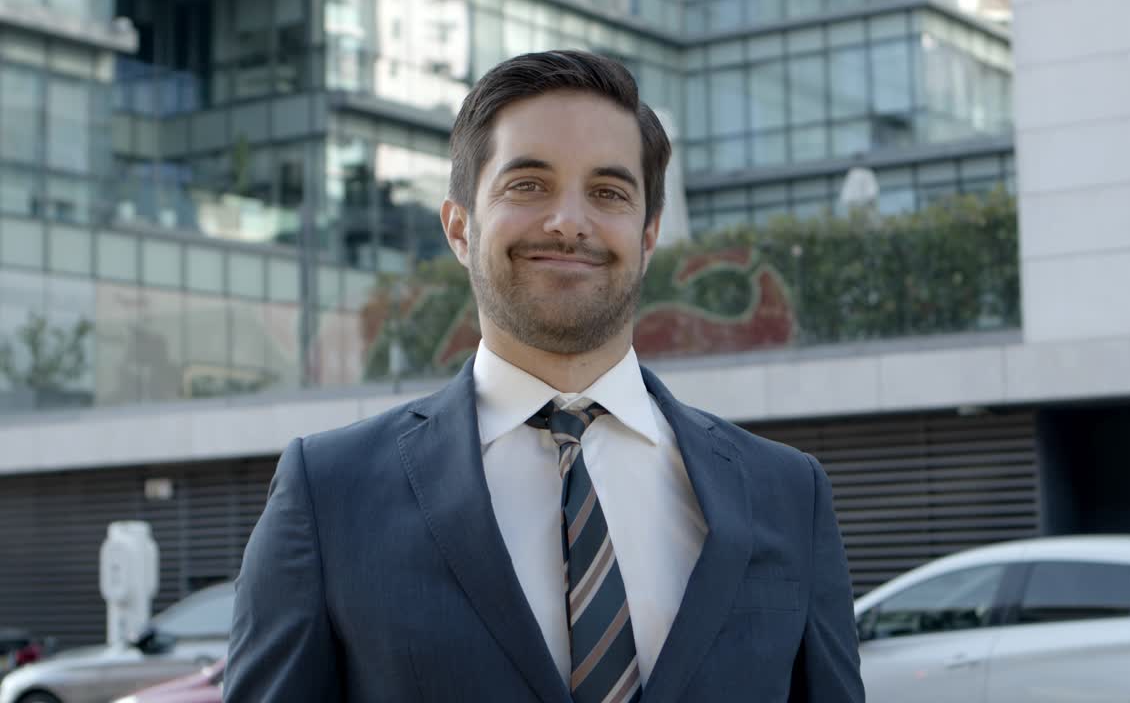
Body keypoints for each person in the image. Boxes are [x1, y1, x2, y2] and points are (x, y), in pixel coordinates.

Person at [225, 50, 863, 703]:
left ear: (648, 237)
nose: (568, 222)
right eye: (528, 185)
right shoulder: (329, 495)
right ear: (459, 228)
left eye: (608, 192)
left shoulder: (788, 494)